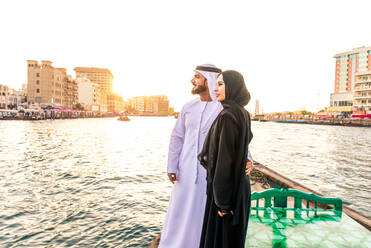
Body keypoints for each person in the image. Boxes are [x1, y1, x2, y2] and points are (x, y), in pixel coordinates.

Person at [159, 64, 253, 248]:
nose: (192, 80)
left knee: (206, 211)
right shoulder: (188, 107)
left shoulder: (224, 109)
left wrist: (247, 157)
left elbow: (236, 138)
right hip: (185, 170)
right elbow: (177, 137)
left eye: (197, 77)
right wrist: (172, 165)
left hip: (213, 173)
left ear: (207, 80)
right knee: (181, 209)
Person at [198, 70, 253, 248]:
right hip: (240, 188)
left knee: (220, 240)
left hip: (227, 193)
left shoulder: (228, 116)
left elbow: (224, 160)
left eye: (221, 84)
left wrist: (222, 203)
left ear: (233, 87)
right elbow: (243, 144)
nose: (215, 89)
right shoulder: (242, 113)